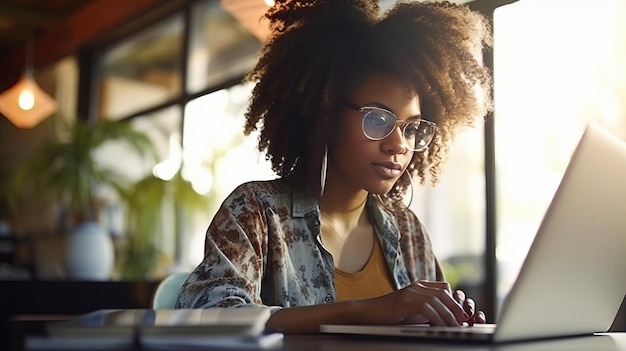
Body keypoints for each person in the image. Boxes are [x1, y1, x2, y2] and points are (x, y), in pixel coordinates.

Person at [176, 0, 493, 334]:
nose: (399, 145)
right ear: (326, 115)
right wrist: (367, 311)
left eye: (411, 128)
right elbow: (209, 317)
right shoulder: (257, 212)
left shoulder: (408, 230)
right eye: (378, 118)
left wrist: (449, 322)